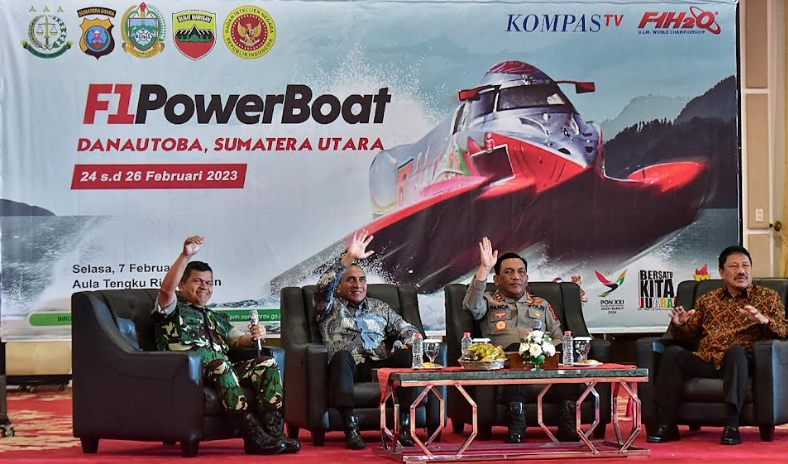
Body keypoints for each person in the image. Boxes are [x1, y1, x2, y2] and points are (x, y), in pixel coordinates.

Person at [152, 236, 300, 455]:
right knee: (221, 366)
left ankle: (273, 431)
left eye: (209, 283)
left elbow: (238, 340)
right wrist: (185, 256)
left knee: (267, 364)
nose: (204, 287)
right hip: (188, 373)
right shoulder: (172, 309)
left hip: (222, 371)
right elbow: (166, 290)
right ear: (182, 285)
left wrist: (256, 335)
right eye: (198, 281)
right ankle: (252, 434)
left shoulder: (214, 316)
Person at [647, 245, 788, 445]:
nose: (742, 271)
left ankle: (731, 425)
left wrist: (763, 320)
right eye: (734, 266)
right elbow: (688, 337)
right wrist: (680, 324)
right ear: (722, 272)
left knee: (736, 352)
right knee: (673, 353)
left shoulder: (767, 297)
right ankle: (667, 424)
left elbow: (784, 330)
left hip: (742, 362)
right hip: (708, 358)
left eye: (746, 266)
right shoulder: (707, 300)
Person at [314, 230, 421, 450]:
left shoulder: (379, 307)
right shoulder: (328, 306)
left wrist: (408, 342)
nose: (358, 285)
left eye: (362, 280)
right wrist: (348, 258)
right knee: (342, 357)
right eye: (350, 280)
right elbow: (323, 287)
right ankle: (350, 426)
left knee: (407, 356)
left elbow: (408, 329)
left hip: (379, 365)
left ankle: (403, 424)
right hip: (349, 367)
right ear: (339, 286)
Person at [463, 237, 573, 443]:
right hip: (507, 364)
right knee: (517, 350)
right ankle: (517, 420)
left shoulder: (541, 304)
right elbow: (471, 306)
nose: (516, 277)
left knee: (565, 356)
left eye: (521, 272)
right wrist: (484, 269)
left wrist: (550, 351)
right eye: (508, 272)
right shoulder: (488, 301)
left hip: (543, 365)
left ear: (527, 278)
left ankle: (567, 420)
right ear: (497, 280)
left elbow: (558, 336)